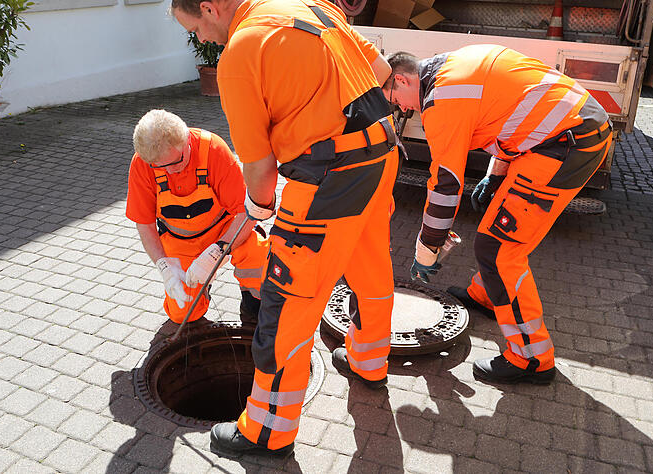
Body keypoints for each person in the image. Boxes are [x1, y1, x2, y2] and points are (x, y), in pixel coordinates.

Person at [172, 0, 400, 458]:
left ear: (210, 8)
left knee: (286, 302)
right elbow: (379, 71)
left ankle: (267, 430)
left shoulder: (239, 53)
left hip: (329, 178)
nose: (200, 37)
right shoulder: (308, 5)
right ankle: (369, 361)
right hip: (382, 152)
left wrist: (257, 210)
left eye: (193, 25)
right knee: (370, 264)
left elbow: (259, 171)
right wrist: (318, 107)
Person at [382, 46, 612, 385]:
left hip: (566, 144)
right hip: (570, 130)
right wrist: (495, 172)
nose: (400, 108)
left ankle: (532, 358)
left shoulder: (442, 101)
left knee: (499, 250)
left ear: (401, 79)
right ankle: (488, 295)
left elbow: (445, 183)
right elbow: (509, 114)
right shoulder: (451, 65)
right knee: (497, 234)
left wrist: (427, 249)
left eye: (394, 99)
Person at [125, 109, 269, 325]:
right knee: (182, 311)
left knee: (258, 257)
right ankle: (201, 290)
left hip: (227, 231)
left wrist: (219, 249)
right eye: (161, 167)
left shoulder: (212, 149)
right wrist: (164, 265)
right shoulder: (143, 163)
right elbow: (144, 223)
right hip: (180, 242)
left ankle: (253, 307)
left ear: (187, 142)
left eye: (176, 162)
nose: (170, 171)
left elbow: (246, 212)